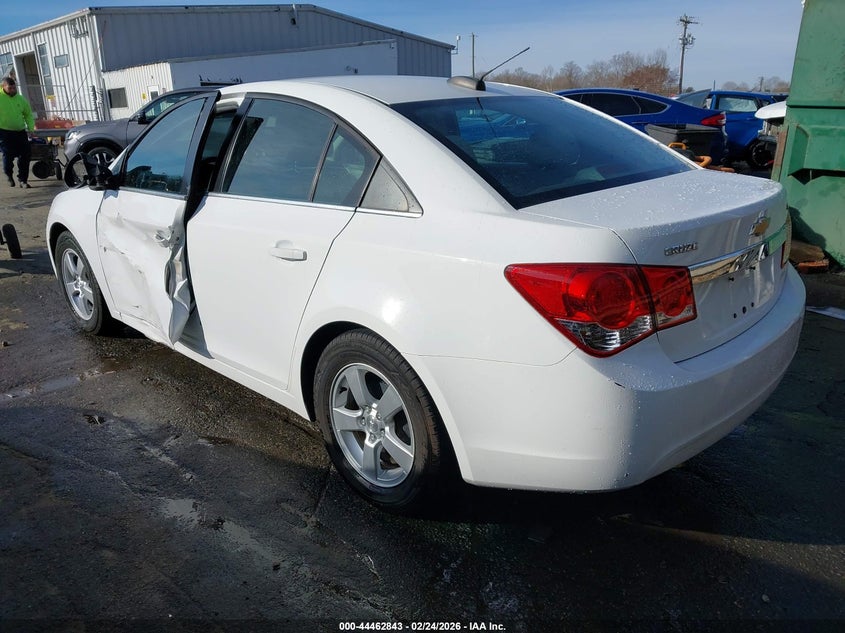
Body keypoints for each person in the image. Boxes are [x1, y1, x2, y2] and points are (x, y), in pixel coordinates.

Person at [0, 76, 35, 188]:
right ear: (3, 87)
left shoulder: (20, 99)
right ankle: (9, 174)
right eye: (10, 88)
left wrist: (30, 128)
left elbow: (28, 114)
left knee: (25, 155)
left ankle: (23, 180)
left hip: (20, 132)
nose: (13, 90)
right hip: (4, 133)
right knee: (8, 156)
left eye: (14, 88)